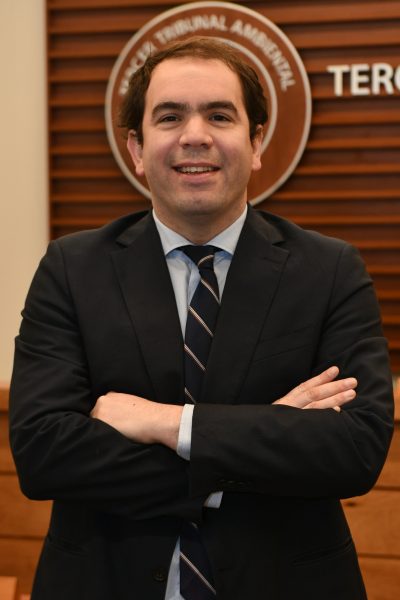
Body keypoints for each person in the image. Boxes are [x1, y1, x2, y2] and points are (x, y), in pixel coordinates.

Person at [9, 37, 394, 600]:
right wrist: (267, 431)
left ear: (256, 142)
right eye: (170, 117)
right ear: (137, 148)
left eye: (219, 115)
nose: (195, 135)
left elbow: (354, 449)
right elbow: (44, 453)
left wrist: (168, 424)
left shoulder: (330, 269)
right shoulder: (71, 268)